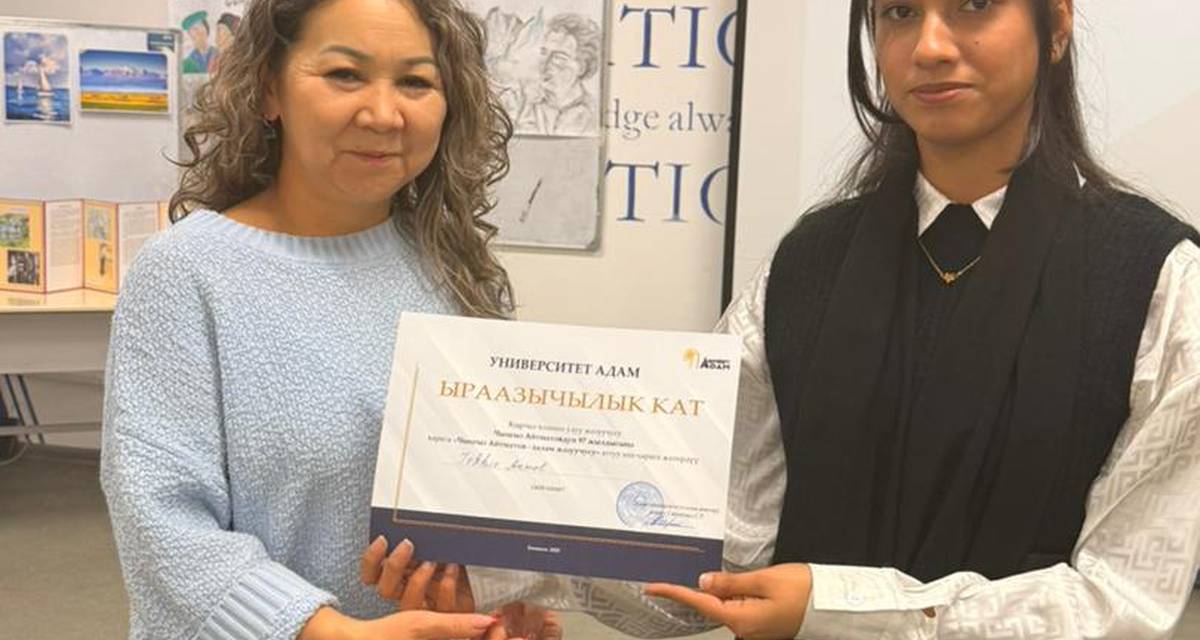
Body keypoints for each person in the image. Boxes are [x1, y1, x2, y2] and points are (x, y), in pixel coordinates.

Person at [411, 0, 1200, 638]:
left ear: (1054, 24)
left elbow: (1125, 604)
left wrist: (842, 609)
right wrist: (490, 565)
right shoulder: (805, 266)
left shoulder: (1159, 281)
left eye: (974, 5)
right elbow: (715, 546)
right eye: (898, 13)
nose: (930, 46)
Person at [99, 0, 553, 638]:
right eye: (345, 74)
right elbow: (163, 522)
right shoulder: (188, 271)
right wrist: (330, 632)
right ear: (268, 90)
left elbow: (480, 488)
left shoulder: (456, 269)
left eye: (416, 81)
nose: (384, 114)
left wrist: (492, 596)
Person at [514, 13, 600, 136]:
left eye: (559, 57)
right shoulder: (528, 107)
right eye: (544, 53)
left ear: (581, 67)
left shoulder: (592, 114)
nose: (546, 64)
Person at [181, 10, 217, 74]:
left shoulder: (218, 53)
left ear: (207, 29)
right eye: (194, 29)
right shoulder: (188, 62)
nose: (199, 31)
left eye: (201, 26)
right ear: (190, 35)